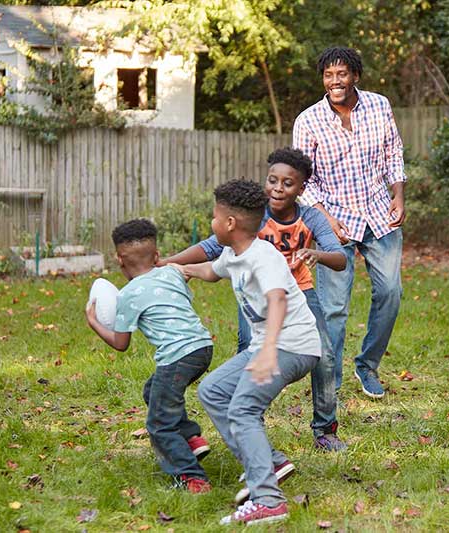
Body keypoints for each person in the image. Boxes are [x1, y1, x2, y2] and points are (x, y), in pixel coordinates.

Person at [161, 147, 348, 452]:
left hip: (300, 291)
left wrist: (318, 253)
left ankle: (325, 428)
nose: (277, 188)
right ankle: (251, 423)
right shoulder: (254, 217)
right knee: (248, 350)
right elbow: (210, 250)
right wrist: (168, 261)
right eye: (272, 180)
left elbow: (340, 258)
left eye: (287, 183)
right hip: (257, 295)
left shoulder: (311, 217)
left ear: (301, 188)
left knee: (324, 357)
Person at [171, 179, 321, 526]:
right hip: (267, 346)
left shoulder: (263, 256)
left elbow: (277, 298)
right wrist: (177, 269)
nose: (212, 222)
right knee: (213, 391)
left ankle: (268, 500)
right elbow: (211, 270)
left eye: (214, 216)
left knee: (242, 408)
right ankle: (267, 462)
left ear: (229, 223)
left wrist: (268, 350)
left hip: (292, 346)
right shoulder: (234, 254)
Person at [292, 46, 406, 399]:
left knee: (390, 293)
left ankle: (367, 365)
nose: (335, 81)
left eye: (342, 73)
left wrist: (398, 194)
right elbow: (302, 179)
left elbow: (393, 152)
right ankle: (329, 380)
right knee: (334, 307)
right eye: (329, 75)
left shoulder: (379, 105)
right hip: (333, 220)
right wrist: (326, 220)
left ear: (355, 75)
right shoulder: (308, 120)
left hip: (378, 215)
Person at [85, 218, 214, 494]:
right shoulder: (172, 273)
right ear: (157, 256)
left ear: (120, 260)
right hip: (203, 348)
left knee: (159, 424)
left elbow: (121, 344)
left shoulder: (128, 295)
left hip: (177, 357)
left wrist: (95, 323)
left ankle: (193, 478)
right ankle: (191, 438)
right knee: (153, 389)